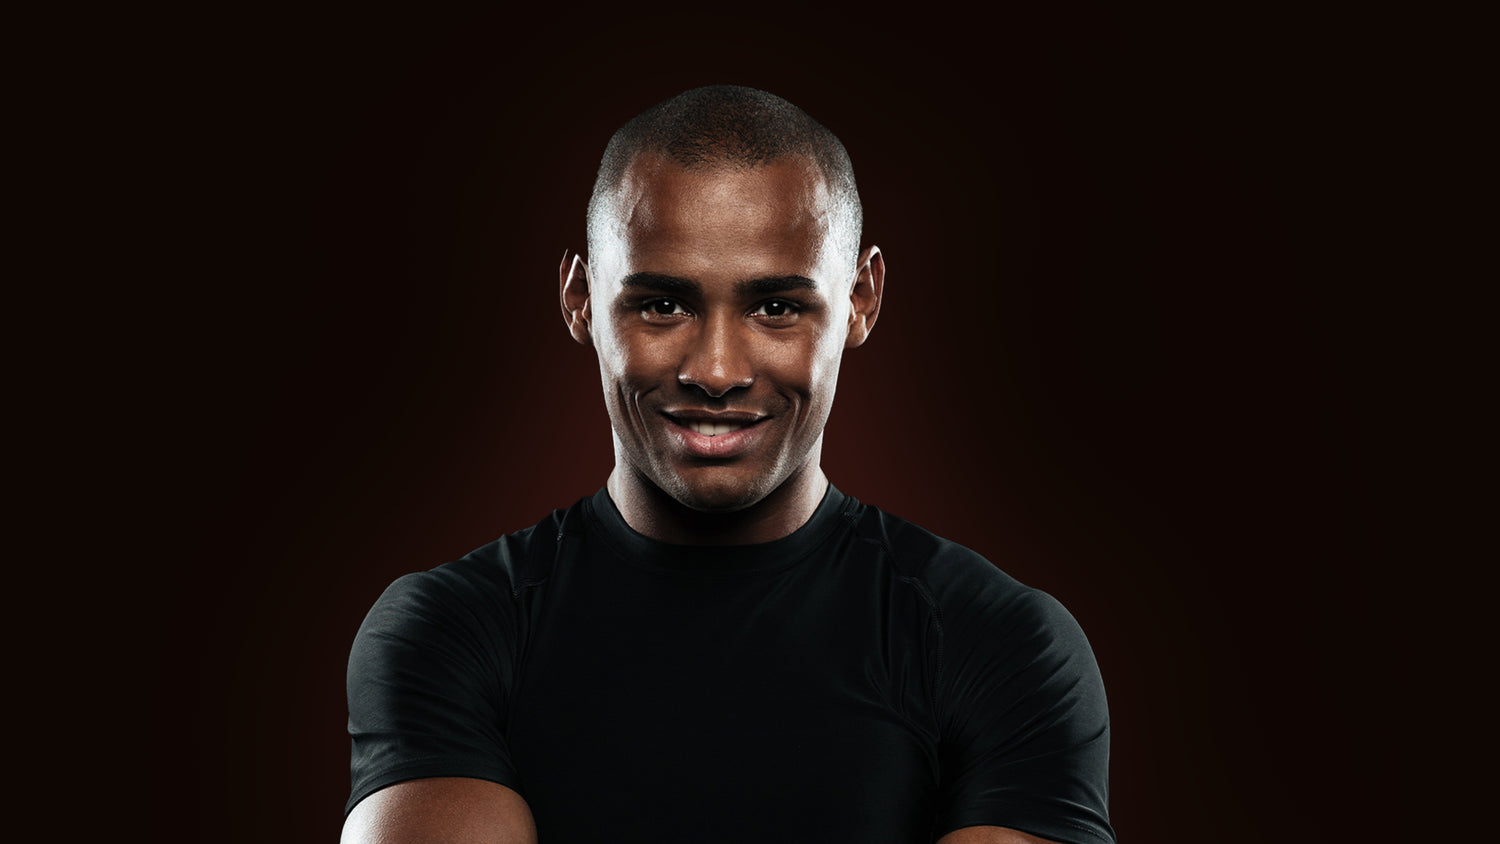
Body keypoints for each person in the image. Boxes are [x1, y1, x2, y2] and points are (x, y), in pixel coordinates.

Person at [342, 85, 1114, 844]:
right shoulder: (449, 631)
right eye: (662, 304)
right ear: (580, 298)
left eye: (776, 308)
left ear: (860, 300)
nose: (715, 370)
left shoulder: (1001, 646)